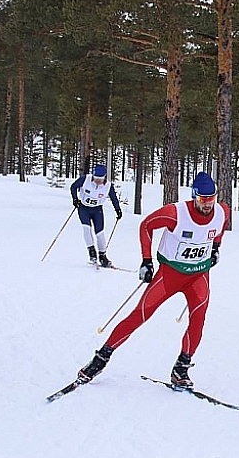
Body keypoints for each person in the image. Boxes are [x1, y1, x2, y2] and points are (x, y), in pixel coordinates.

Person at [76, 172, 229, 389]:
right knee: (140, 315)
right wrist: (146, 261)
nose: (208, 204)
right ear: (194, 196)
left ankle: (180, 369)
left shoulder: (222, 211)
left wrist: (215, 248)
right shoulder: (176, 213)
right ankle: (100, 359)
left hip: (199, 276)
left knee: (198, 321)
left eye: (211, 198)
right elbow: (146, 226)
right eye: (203, 199)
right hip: (170, 275)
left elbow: (219, 229)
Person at [70, 164, 123, 267]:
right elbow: (73, 187)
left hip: (97, 210)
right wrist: (75, 199)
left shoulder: (108, 185)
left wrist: (118, 210)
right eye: (96, 178)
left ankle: (102, 256)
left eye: (100, 178)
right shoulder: (85, 179)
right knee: (86, 228)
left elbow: (114, 198)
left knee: (100, 233)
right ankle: (92, 252)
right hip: (84, 208)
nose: (98, 181)